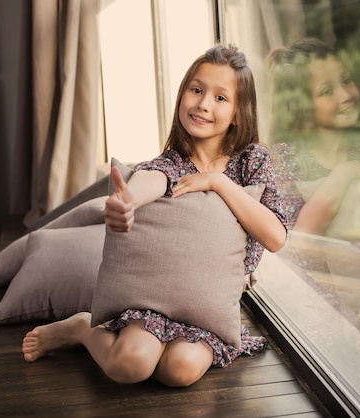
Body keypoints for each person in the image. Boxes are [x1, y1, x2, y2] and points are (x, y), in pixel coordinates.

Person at [21, 44, 289, 387]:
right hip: (151, 301)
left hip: (206, 308)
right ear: (182, 96)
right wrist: (126, 202)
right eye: (196, 90)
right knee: (129, 365)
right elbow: (149, 181)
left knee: (180, 371)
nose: (204, 104)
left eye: (221, 98)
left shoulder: (253, 161)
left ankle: (124, 340)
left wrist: (218, 182)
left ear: (238, 112)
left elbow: (275, 237)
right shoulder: (169, 163)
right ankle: (81, 329)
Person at [267, 37, 360, 240]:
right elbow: (298, 244)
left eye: (346, 80)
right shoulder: (282, 164)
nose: (346, 95)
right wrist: (347, 172)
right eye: (327, 91)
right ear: (302, 107)